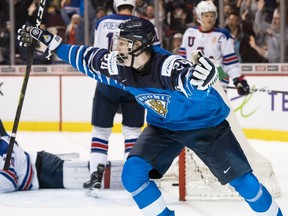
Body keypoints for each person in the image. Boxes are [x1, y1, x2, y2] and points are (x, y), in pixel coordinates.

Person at [17, 17, 283, 215]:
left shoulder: (167, 66)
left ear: (142, 46)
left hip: (206, 127)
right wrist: (53, 45)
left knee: (245, 184)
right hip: (164, 128)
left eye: (124, 44)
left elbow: (189, 82)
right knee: (132, 174)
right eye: (117, 43)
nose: (118, 49)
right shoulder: (120, 66)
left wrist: (201, 83)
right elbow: (86, 58)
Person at [82, 0, 151, 196]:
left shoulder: (102, 22)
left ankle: (96, 176)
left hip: (107, 81)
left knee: (101, 132)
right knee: (132, 132)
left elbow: (96, 54)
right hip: (133, 83)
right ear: (132, 5)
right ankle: (134, 179)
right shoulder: (143, 23)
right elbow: (152, 57)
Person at [178, 1, 250, 95]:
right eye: (206, 16)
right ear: (200, 16)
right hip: (193, 83)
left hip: (217, 83)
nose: (210, 19)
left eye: (212, 16)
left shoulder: (222, 35)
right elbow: (182, 60)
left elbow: (231, 63)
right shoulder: (189, 33)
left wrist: (239, 80)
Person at [0, 119, 89, 193]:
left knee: (85, 175)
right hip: (42, 166)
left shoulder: (3, 148)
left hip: (45, 171)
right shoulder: (5, 141)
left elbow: (9, 182)